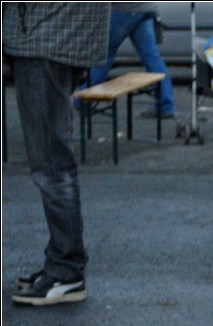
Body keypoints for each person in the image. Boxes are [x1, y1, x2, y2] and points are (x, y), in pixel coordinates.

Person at [4, 2, 110, 307]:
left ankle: (66, 269)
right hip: (61, 34)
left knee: (51, 164)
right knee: (54, 160)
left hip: (45, 35)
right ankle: (62, 262)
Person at [87, 2, 175, 119]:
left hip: (124, 9)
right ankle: (166, 105)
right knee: (152, 58)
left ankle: (84, 96)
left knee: (104, 55)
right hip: (145, 8)